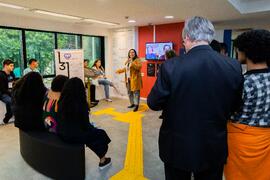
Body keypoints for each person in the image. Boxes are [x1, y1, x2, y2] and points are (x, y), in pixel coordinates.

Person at [147, 16, 243, 180]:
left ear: (187, 37)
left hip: (177, 146)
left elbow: (154, 103)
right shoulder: (233, 65)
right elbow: (235, 106)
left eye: (183, 40)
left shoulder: (170, 66)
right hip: (213, 145)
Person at [224, 29, 270, 180]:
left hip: (240, 142)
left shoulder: (243, 83)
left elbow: (228, 110)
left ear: (245, 52)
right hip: (266, 141)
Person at [57, 77, 111, 170]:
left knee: (91, 134)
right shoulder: (80, 105)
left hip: (62, 133)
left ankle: (102, 159)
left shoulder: (62, 102)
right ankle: (103, 160)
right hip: (73, 135)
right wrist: (93, 128)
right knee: (100, 134)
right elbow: (85, 125)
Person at [0, 59, 15, 124]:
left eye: (13, 66)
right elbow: (2, 89)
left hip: (10, 92)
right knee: (11, 101)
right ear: (5, 66)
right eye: (11, 66)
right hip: (2, 93)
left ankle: (9, 116)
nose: (13, 67)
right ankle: (9, 116)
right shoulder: (0, 74)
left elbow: (14, 83)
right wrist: (11, 93)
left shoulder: (12, 73)